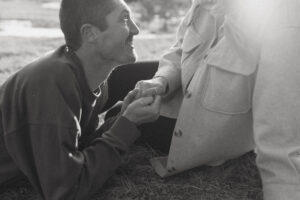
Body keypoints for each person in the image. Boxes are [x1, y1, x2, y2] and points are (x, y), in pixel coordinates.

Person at [135, 0, 300, 199]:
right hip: (173, 110)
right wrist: (161, 81)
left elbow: (280, 141)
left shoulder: (285, 20)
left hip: (204, 144)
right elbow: (179, 49)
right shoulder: (203, 3)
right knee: (119, 96)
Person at [0, 0, 161, 199]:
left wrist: (121, 118)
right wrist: (127, 124)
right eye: (124, 19)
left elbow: (79, 151)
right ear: (90, 33)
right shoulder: (52, 81)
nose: (136, 30)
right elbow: (67, 190)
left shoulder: (93, 81)